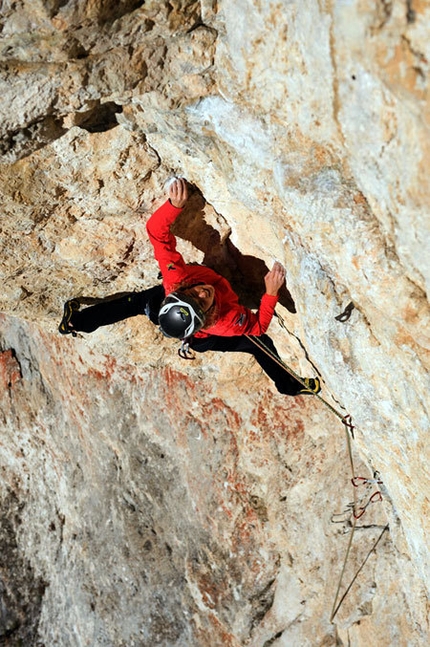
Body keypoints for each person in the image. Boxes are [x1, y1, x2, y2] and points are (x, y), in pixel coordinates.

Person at [59, 179, 320, 396]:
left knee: (137, 302)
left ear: (180, 291)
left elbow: (156, 233)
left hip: (166, 307)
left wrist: (174, 206)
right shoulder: (225, 321)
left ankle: (78, 322)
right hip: (202, 336)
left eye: (193, 294)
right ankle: (288, 385)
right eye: (203, 302)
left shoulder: (176, 278)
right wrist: (270, 294)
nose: (203, 293)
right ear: (207, 315)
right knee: (258, 343)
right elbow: (258, 327)